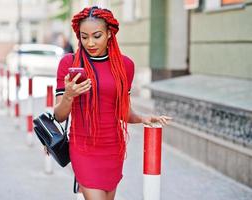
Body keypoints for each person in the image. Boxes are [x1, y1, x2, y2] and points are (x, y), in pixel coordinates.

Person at [54, 6, 171, 200]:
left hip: (112, 147)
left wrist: (143, 118)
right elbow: (59, 115)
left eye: (96, 36)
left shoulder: (125, 66)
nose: (89, 42)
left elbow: (122, 112)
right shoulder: (70, 64)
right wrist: (68, 95)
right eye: (84, 37)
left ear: (109, 33)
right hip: (83, 147)